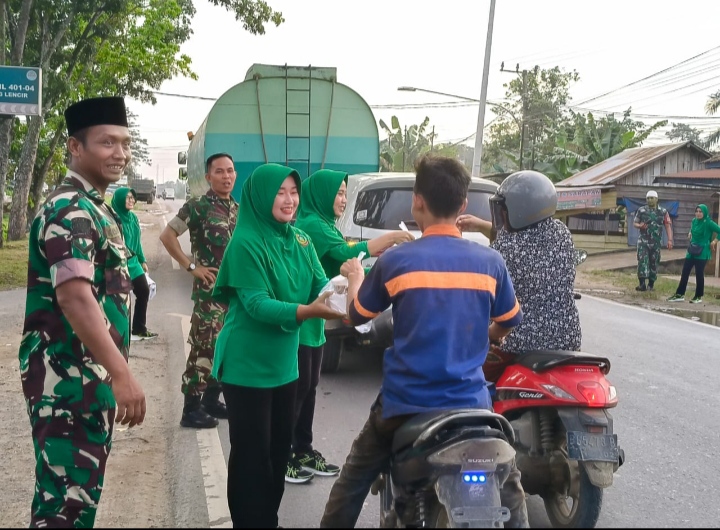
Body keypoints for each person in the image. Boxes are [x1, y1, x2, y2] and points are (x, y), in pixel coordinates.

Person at [320, 155, 528, 528]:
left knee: (353, 478)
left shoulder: (397, 261)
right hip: (473, 408)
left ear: (417, 201)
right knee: (510, 487)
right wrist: (488, 336)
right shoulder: (491, 262)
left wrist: (354, 277)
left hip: (405, 404)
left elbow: (357, 315)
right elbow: (510, 320)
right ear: (463, 205)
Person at [18, 96, 146, 528]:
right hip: (69, 381)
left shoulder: (94, 206)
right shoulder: (70, 208)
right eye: (107, 142)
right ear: (75, 147)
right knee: (65, 509)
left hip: (85, 380)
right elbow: (74, 297)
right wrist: (122, 374)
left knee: (71, 503)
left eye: (125, 143)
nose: (120, 153)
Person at [211, 163, 345, 528]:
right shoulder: (245, 242)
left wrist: (349, 283)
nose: (289, 200)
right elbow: (257, 304)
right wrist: (308, 311)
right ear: (261, 197)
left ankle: (266, 519)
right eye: (280, 192)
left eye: (294, 192)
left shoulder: (300, 240)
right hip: (247, 366)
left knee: (277, 452)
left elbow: (321, 285)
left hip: (285, 365)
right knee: (251, 457)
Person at [288, 169, 414, 484]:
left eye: (345, 193)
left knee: (309, 390)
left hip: (317, 322)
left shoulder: (326, 225)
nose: (343, 199)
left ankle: (303, 449)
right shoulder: (312, 225)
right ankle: (286, 455)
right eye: (339, 193)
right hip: (303, 320)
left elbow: (343, 265)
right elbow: (347, 253)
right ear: (321, 194)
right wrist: (392, 238)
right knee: (297, 392)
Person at [456, 170, 581, 382]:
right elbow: (523, 235)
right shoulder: (562, 233)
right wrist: (480, 225)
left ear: (518, 210)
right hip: (568, 339)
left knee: (468, 376)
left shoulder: (506, 248)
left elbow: (486, 291)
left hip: (520, 344)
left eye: (503, 209)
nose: (501, 214)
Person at [159, 153, 239, 429]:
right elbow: (167, 236)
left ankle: (211, 400)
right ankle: (191, 408)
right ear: (208, 177)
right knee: (205, 346)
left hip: (233, 294)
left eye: (230, 171)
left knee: (226, 347)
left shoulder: (238, 210)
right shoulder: (198, 207)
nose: (226, 176)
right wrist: (192, 266)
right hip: (209, 294)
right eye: (220, 171)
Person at [111, 187, 158, 341]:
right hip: (119, 262)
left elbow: (137, 242)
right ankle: (118, 333)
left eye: (133, 198)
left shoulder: (133, 218)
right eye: (128, 197)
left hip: (133, 261)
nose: (131, 200)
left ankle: (139, 328)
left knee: (143, 290)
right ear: (120, 199)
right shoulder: (113, 219)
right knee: (121, 299)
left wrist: (142, 260)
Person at [668, 204, 720, 303]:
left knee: (699, 273)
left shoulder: (709, 222)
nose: (698, 213)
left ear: (705, 213)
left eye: (701, 212)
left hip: (702, 251)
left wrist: (714, 241)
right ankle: (680, 294)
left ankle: (698, 296)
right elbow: (692, 229)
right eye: (697, 211)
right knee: (685, 272)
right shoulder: (694, 221)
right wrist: (690, 232)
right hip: (692, 250)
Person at [632, 190, 673, 292]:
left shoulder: (663, 211)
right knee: (642, 261)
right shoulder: (641, 210)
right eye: (648, 198)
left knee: (654, 262)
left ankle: (651, 285)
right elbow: (635, 223)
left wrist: (670, 240)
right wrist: (640, 226)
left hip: (656, 242)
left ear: (656, 199)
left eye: (651, 198)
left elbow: (667, 225)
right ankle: (642, 284)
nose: (649, 200)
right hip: (643, 241)